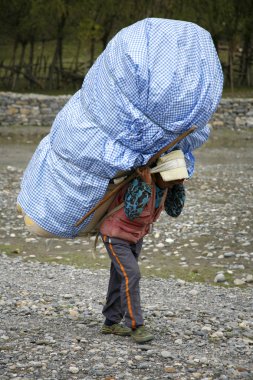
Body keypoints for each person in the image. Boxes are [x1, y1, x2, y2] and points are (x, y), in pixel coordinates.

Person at [99, 149, 188, 343]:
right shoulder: (139, 183)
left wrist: (178, 187)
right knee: (132, 275)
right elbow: (132, 211)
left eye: (176, 180)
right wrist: (145, 185)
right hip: (115, 235)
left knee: (120, 276)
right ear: (158, 174)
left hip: (135, 237)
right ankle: (135, 325)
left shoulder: (167, 187)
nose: (173, 183)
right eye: (171, 180)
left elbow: (174, 211)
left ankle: (110, 322)